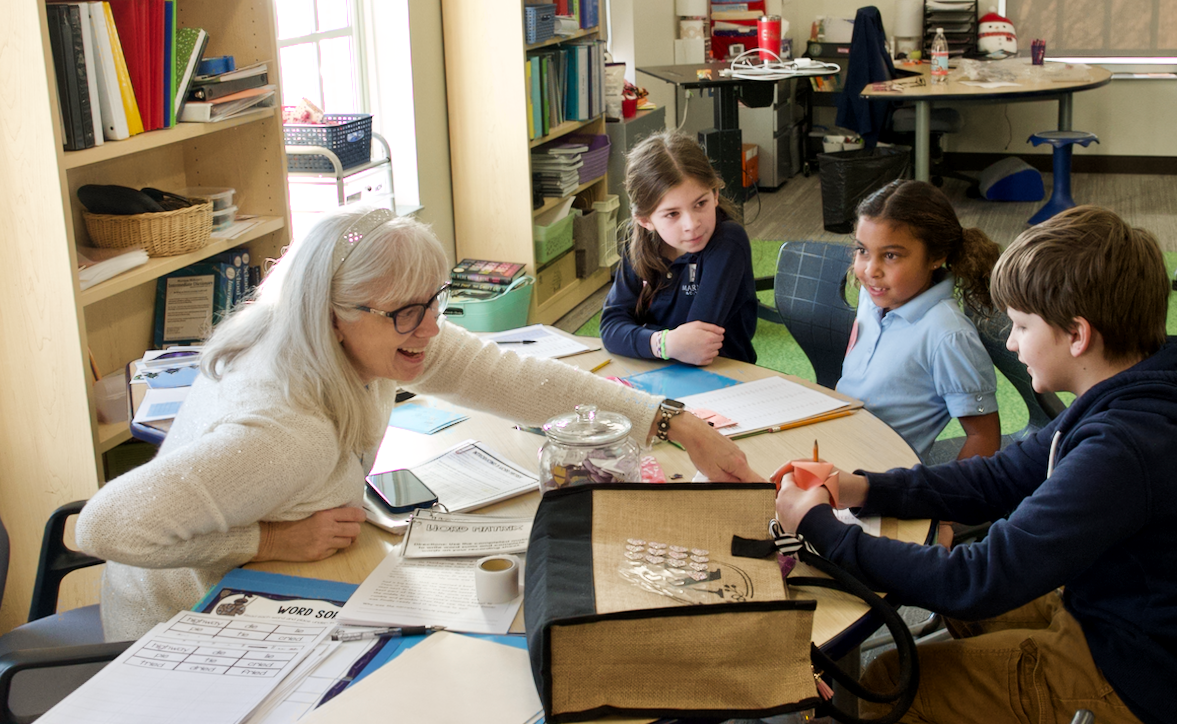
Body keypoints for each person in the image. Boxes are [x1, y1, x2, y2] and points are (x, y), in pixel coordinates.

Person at [77, 207, 761, 642]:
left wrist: (675, 424)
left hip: (263, 589)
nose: (431, 330)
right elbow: (106, 526)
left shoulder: (360, 336)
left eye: (436, 301)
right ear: (333, 314)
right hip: (184, 632)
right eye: (408, 313)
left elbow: (515, 379)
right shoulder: (288, 429)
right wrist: (267, 535)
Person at [776, 206, 1177, 723]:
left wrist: (817, 528)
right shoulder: (1143, 386)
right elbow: (1000, 476)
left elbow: (979, 579)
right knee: (942, 570)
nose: (1012, 343)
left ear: (1077, 335)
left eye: (1020, 326)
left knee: (888, 680)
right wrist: (861, 487)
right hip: (1135, 618)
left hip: (1150, 681)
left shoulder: (1126, 447)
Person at [837, 179, 1002, 463]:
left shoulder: (948, 335)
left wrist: (941, 501)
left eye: (890, 255)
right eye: (862, 250)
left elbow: (984, 437)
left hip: (878, 479)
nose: (870, 270)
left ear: (936, 256)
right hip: (838, 444)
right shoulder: (873, 297)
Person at [600, 130, 757, 366]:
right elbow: (611, 328)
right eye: (672, 214)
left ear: (715, 194)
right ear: (645, 220)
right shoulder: (639, 241)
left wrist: (642, 338)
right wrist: (665, 343)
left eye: (700, 203)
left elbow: (695, 345)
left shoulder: (728, 242)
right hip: (655, 370)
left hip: (721, 378)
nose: (692, 224)